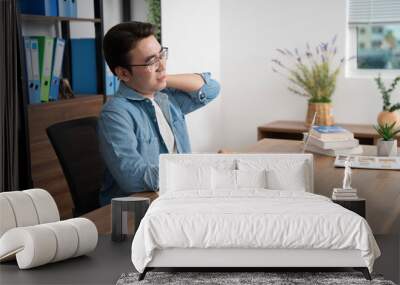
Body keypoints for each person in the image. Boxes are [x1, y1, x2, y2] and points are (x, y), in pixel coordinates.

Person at [98, 21, 220, 205]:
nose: (162, 65)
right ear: (123, 74)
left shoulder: (166, 97)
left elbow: (211, 88)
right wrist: (192, 169)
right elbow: (133, 178)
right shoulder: (115, 114)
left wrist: (161, 78)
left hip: (176, 196)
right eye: (151, 61)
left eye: (161, 55)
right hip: (130, 213)